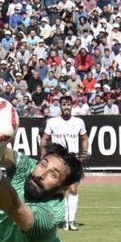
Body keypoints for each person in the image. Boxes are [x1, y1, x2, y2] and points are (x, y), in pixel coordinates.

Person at [39, 96, 89, 231]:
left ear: (72, 106)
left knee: (73, 189)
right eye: (64, 105)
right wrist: (43, 157)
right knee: (60, 191)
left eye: (68, 104)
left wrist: (84, 153)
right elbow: (44, 140)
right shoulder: (53, 122)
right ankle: (65, 220)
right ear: (60, 106)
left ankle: (72, 220)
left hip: (73, 160)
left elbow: (84, 138)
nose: (66, 107)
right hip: (57, 161)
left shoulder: (79, 122)